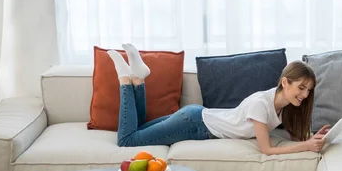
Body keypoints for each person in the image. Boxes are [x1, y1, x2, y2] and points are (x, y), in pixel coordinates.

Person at [108, 44, 330, 155]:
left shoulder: (281, 106)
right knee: (128, 140)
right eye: (301, 88)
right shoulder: (261, 105)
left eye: (309, 90)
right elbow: (267, 150)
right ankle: (125, 81)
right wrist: (308, 146)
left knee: (139, 128)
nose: (305, 94)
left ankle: (138, 79)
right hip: (194, 126)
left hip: (195, 117)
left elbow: (290, 134)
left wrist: (310, 137)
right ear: (284, 83)